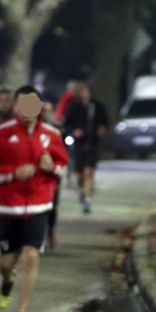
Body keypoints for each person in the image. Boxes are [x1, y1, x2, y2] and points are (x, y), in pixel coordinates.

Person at [0, 85, 69, 312]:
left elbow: (63, 167)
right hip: (9, 208)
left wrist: (52, 167)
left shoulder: (51, 134)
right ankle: (7, 280)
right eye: (22, 103)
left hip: (39, 205)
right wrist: (12, 174)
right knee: (7, 263)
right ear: (16, 106)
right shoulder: (1, 133)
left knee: (31, 255)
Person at [63, 82, 108, 214]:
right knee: (80, 174)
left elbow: (104, 121)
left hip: (93, 142)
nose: (85, 95)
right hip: (79, 144)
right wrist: (74, 132)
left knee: (89, 171)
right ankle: (82, 190)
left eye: (87, 92)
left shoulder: (98, 106)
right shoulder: (74, 107)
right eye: (83, 92)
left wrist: (101, 129)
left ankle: (87, 200)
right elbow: (67, 123)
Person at [41, 101, 64, 248]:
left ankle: (50, 231)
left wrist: (55, 167)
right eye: (44, 111)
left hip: (52, 175)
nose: (46, 114)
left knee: (52, 206)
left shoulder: (57, 130)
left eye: (49, 111)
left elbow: (63, 152)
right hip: (37, 176)